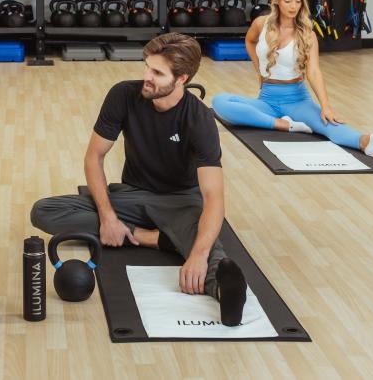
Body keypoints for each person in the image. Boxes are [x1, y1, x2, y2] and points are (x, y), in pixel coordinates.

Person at [31, 33, 247, 327]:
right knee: (44, 211)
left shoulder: (199, 119)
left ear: (181, 78)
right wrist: (108, 217)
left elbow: (213, 198)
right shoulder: (123, 95)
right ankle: (160, 239)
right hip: (131, 196)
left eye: (157, 73)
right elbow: (94, 158)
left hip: (180, 201)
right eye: (147, 67)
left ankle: (224, 289)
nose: (146, 77)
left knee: (205, 248)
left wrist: (197, 255)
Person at [212, 0, 373, 156]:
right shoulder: (261, 24)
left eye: (298, 1)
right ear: (276, 1)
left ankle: (365, 141)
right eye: (288, 0)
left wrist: (325, 106)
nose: (293, 6)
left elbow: (313, 72)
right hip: (266, 99)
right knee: (219, 102)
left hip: (297, 99)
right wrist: (259, 69)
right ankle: (284, 124)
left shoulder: (307, 34)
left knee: (327, 123)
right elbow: (250, 41)